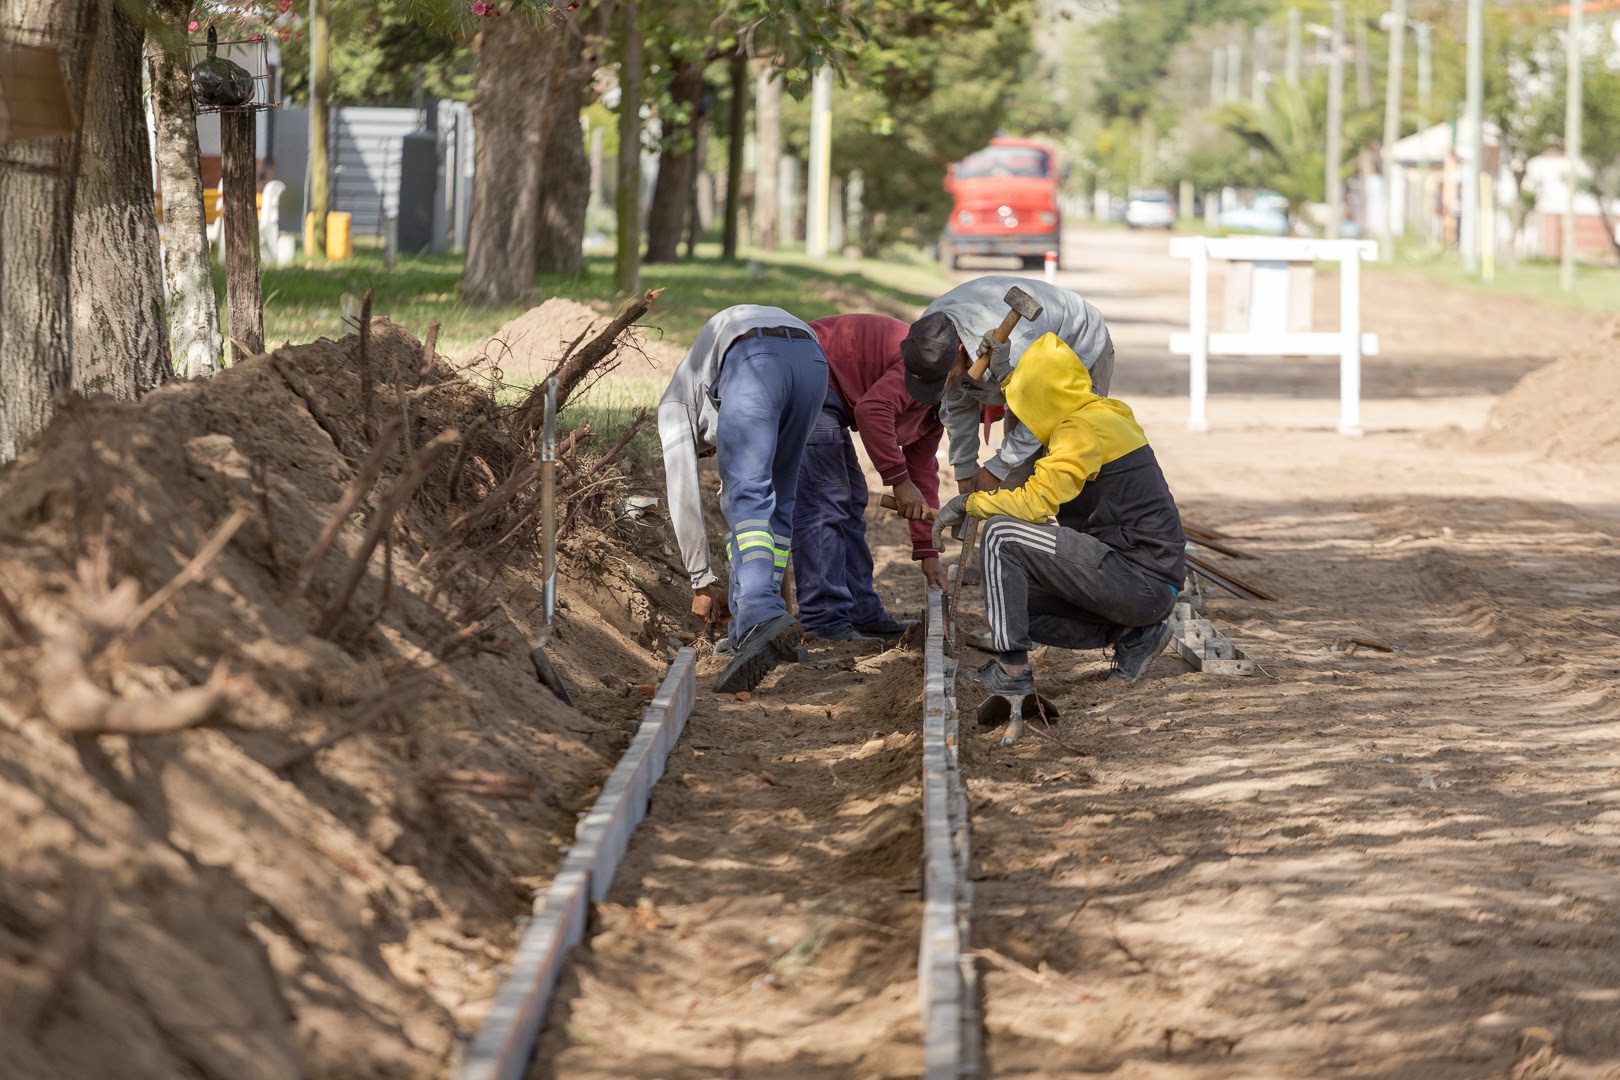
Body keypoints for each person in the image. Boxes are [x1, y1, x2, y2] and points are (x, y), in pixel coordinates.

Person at [929, 333, 1185, 697]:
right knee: (1009, 600)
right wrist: (1005, 374)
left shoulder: (1079, 431)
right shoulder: (1102, 413)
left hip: (1140, 580)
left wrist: (967, 504)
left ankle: (1011, 671)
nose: (1018, 412)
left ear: (1041, 397)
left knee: (1001, 535)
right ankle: (1134, 634)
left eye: (1024, 399)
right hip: (1136, 581)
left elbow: (1036, 505)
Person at [658, 305, 827, 693]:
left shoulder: (673, 409)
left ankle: (759, 617)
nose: (709, 455)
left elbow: (683, 500)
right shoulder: (703, 382)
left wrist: (701, 581)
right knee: (779, 504)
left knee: (746, 498)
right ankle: (760, 622)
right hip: (813, 362)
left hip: (755, 361)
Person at [790, 313, 944, 641]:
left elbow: (923, 472)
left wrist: (927, 551)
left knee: (852, 497)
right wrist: (898, 482)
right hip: (809, 370)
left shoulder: (936, 410)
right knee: (825, 498)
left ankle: (860, 611)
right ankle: (824, 621)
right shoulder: (922, 370)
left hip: (830, 391)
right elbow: (872, 410)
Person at [902, 276, 1115, 496]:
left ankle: (1081, 529)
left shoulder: (1014, 349)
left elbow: (1041, 414)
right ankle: (1019, 526)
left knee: (1069, 464)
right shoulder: (927, 335)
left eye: (947, 376)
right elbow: (956, 401)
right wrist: (965, 474)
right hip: (1017, 371)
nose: (947, 383)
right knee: (1016, 483)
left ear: (958, 350)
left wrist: (996, 469)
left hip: (1077, 345)